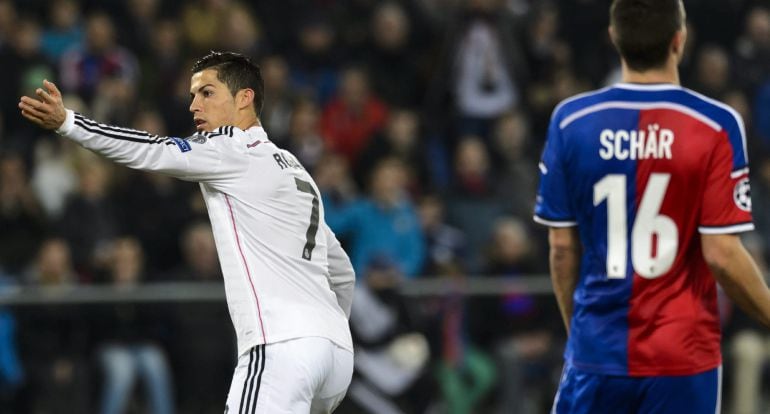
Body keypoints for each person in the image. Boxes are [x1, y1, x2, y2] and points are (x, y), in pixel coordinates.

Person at [19, 51, 355, 413]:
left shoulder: (231, 147)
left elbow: (149, 150)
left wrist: (68, 122)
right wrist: (327, 331)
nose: (194, 104)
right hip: (336, 353)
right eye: (192, 95)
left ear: (245, 98)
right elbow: (342, 271)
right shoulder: (295, 170)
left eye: (207, 93)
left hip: (283, 344)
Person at [533, 1, 770, 413]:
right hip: (681, 356)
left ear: (614, 38)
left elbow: (561, 248)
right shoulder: (715, 125)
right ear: (680, 40)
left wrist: (583, 334)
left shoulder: (571, 120)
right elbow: (723, 254)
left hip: (597, 352)